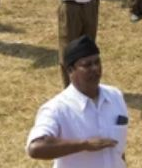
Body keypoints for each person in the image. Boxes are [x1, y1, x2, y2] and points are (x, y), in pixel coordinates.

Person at [26, 36, 128, 166]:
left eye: (97, 62)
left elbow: (118, 150)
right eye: (87, 65)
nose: (95, 69)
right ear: (70, 70)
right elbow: (35, 148)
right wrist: (84, 145)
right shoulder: (57, 108)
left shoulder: (115, 96)